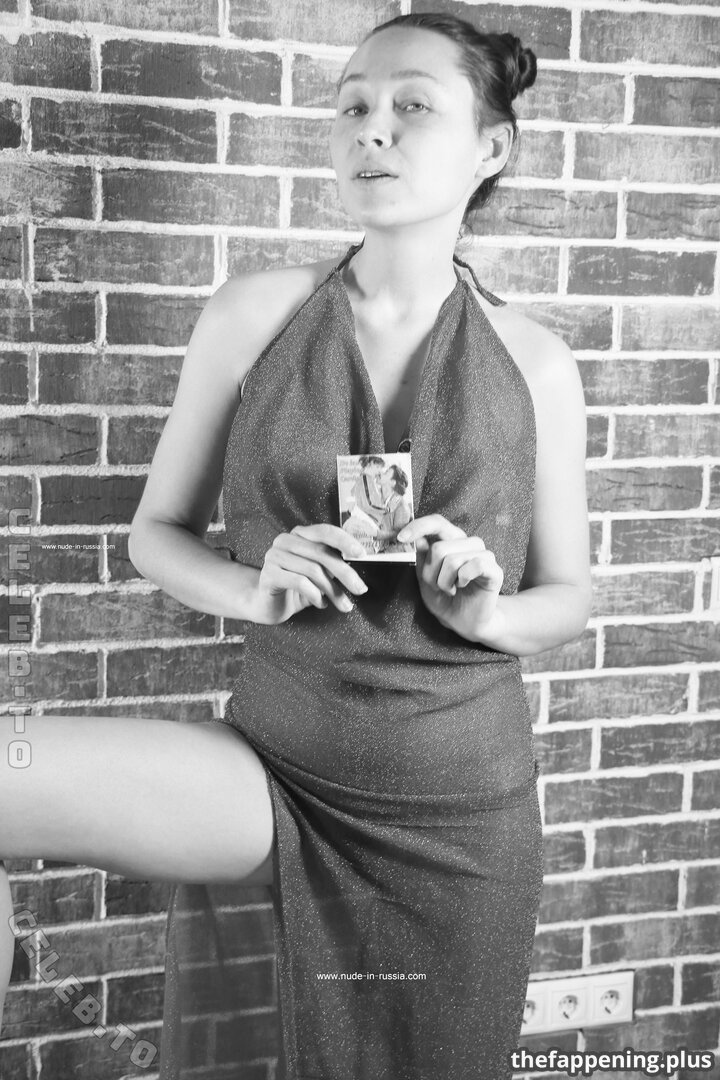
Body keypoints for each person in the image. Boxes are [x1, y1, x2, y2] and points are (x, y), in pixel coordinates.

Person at [0, 11, 592, 1080]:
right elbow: (155, 536)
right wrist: (254, 590)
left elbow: (571, 596)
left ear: (491, 148)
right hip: (273, 773)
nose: (373, 128)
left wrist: (488, 612)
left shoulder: (538, 363)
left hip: (459, 819)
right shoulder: (253, 314)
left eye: (413, 106)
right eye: (353, 105)